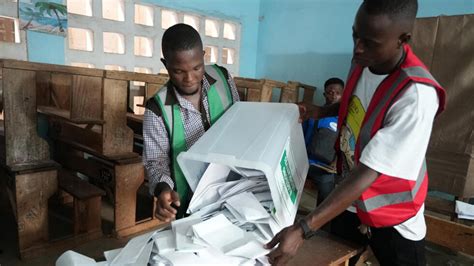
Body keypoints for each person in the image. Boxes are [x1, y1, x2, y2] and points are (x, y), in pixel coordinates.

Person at [266, 0, 446, 265]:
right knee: (337, 256)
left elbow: (369, 172)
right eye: (355, 35)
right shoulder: (365, 59)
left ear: (402, 39)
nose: (357, 47)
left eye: (369, 42)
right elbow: (359, 103)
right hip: (351, 200)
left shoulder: (416, 95)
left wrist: (304, 228)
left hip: (393, 218)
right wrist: (321, 111)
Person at [143, 23, 240, 222]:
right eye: (179, 71)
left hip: (234, 186)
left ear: (203, 56)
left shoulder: (223, 78)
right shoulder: (157, 110)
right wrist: (163, 189)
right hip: (190, 199)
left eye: (197, 68)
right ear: (165, 64)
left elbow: (238, 121)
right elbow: (156, 162)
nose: (190, 78)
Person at [303, 78, 344, 206]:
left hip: (326, 168)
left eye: (338, 93)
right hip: (306, 163)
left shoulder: (344, 120)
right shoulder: (314, 116)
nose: (334, 96)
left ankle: (320, 224)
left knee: (326, 195)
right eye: (330, 92)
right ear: (324, 94)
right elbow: (302, 139)